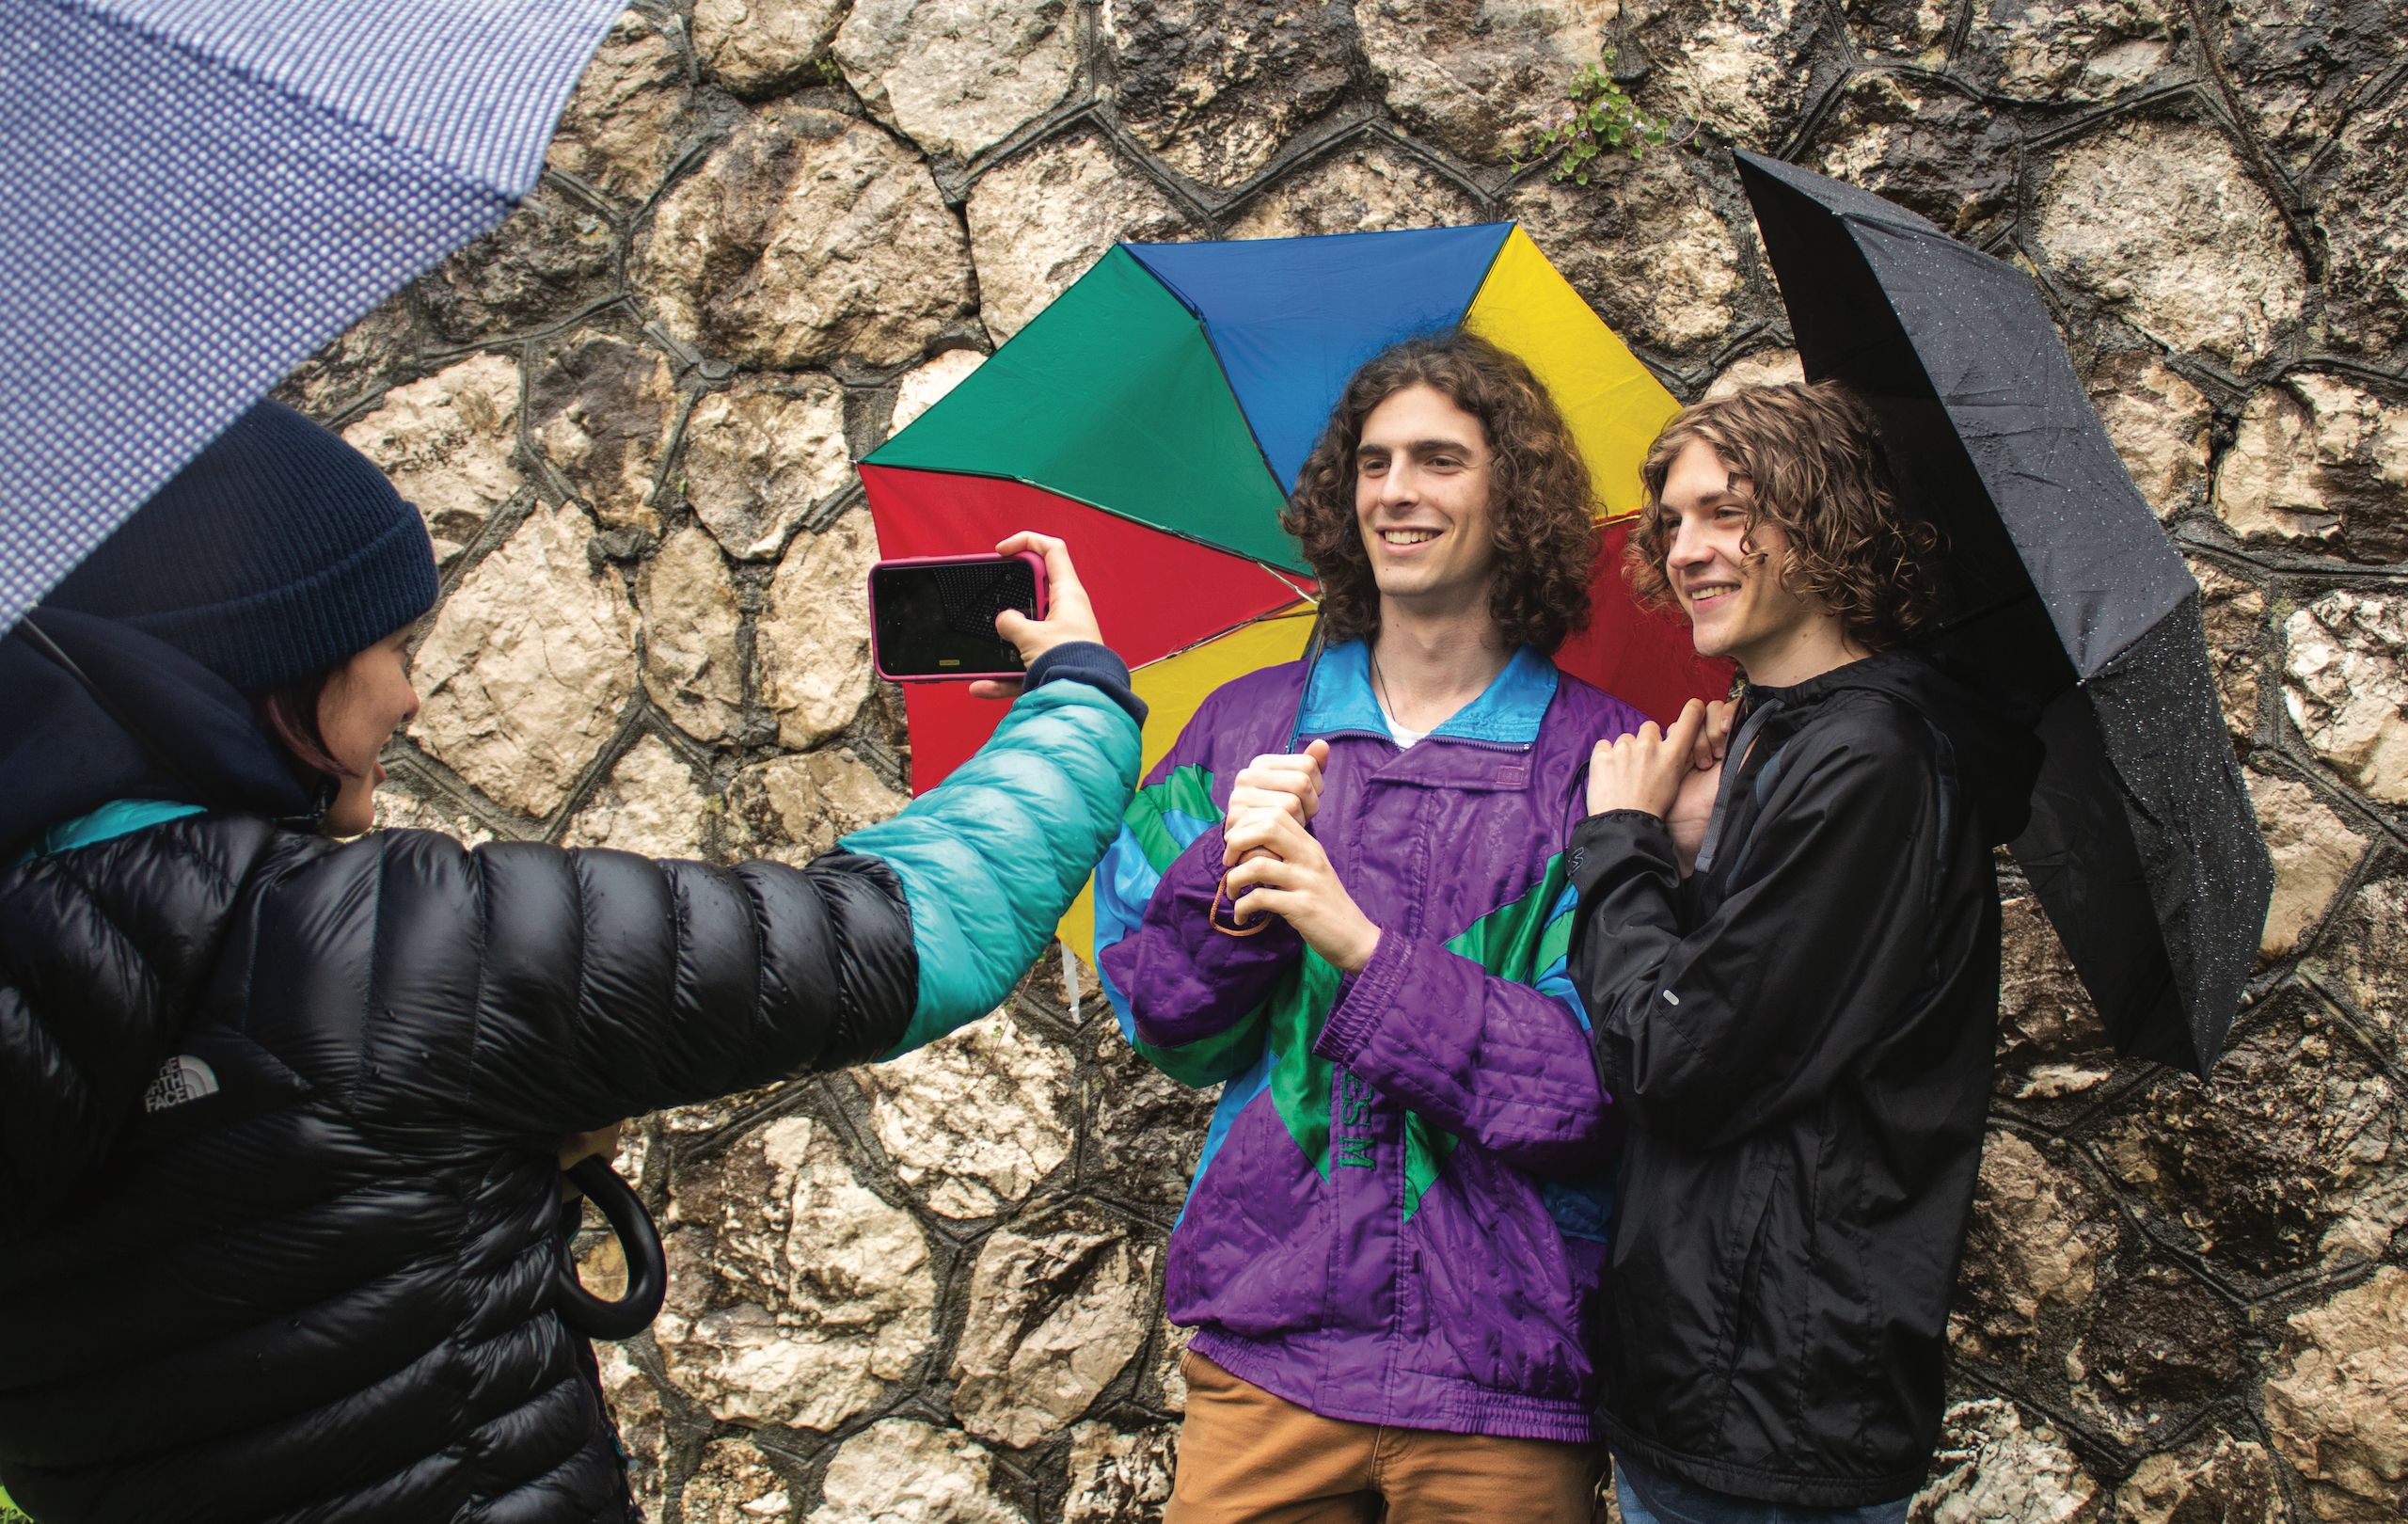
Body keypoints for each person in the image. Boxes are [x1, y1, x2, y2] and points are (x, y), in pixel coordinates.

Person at [0, 400, 1142, 1523]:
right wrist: (1082, 694)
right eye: (392, 649)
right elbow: (916, 934)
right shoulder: (388, 944)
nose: (408, 697)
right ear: (270, 665)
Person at [1094, 332, 1646, 1522]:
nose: (1398, 492)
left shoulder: (1602, 765)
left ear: (1516, 496)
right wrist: (1226, 880)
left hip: (1502, 1376)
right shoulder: (1242, 730)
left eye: (1440, 460)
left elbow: (1593, 1086)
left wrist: (1361, 948)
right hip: (1268, 1361)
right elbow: (1162, 1024)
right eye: (1375, 462)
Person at [1565, 381, 2041, 1522]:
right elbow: (1749, 1004)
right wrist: (1687, 852)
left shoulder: (1869, 758)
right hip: (1706, 1375)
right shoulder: (1793, 738)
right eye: (1672, 522)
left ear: (1825, 521)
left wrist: (1622, 849)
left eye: (1727, 513)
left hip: (1772, 1394)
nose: (1685, 550)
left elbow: (1677, 1060)